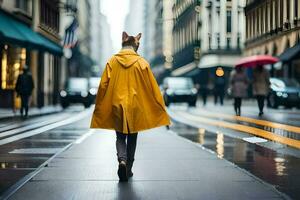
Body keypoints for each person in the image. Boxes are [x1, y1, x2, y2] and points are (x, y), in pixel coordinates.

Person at [90, 32, 170, 182]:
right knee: (132, 136)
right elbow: (153, 87)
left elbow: (103, 86)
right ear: (135, 45)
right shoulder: (142, 63)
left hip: (117, 105)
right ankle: (129, 169)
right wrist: (160, 106)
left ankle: (122, 161)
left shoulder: (112, 61)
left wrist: (99, 105)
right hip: (136, 106)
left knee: (120, 136)